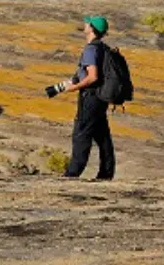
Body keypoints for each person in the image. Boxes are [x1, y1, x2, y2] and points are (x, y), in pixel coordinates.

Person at [44, 16, 115, 180]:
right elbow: (81, 76)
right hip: (100, 98)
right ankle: (106, 173)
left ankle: (72, 173)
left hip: (90, 97)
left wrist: (73, 88)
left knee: (81, 134)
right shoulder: (103, 48)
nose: (84, 24)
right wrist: (59, 87)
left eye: (87, 23)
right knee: (102, 135)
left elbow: (92, 77)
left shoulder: (91, 49)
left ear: (92, 28)